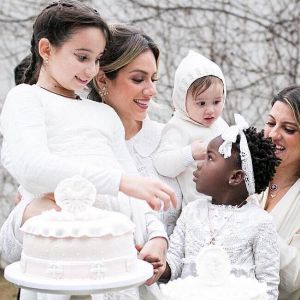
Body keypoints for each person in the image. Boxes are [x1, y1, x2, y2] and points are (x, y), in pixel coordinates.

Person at [0, 1, 176, 299]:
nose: (91, 70)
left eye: (96, 60)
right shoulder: (26, 99)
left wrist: (158, 237)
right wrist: (119, 182)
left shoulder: (102, 115)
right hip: (64, 259)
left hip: (117, 265)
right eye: (82, 57)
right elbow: (32, 168)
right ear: (46, 50)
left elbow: (136, 191)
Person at [160, 114, 281, 300]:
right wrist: (161, 267)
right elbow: (175, 262)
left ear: (235, 177)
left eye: (210, 157)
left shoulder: (260, 222)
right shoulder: (192, 211)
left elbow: (268, 288)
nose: (198, 164)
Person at [90, 24, 183, 237]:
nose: (151, 90)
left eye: (153, 79)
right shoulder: (80, 145)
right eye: (138, 79)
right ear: (102, 78)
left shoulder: (172, 139)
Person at [154, 50, 229, 206]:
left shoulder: (220, 124)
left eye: (216, 102)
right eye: (201, 103)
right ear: (182, 101)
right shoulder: (178, 127)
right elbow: (162, 163)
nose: (210, 110)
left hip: (227, 200)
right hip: (199, 206)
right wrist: (189, 153)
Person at [257, 85, 300, 300]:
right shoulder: (245, 175)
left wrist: (253, 217)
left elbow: (295, 278)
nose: (273, 134)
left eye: (289, 129)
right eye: (271, 123)